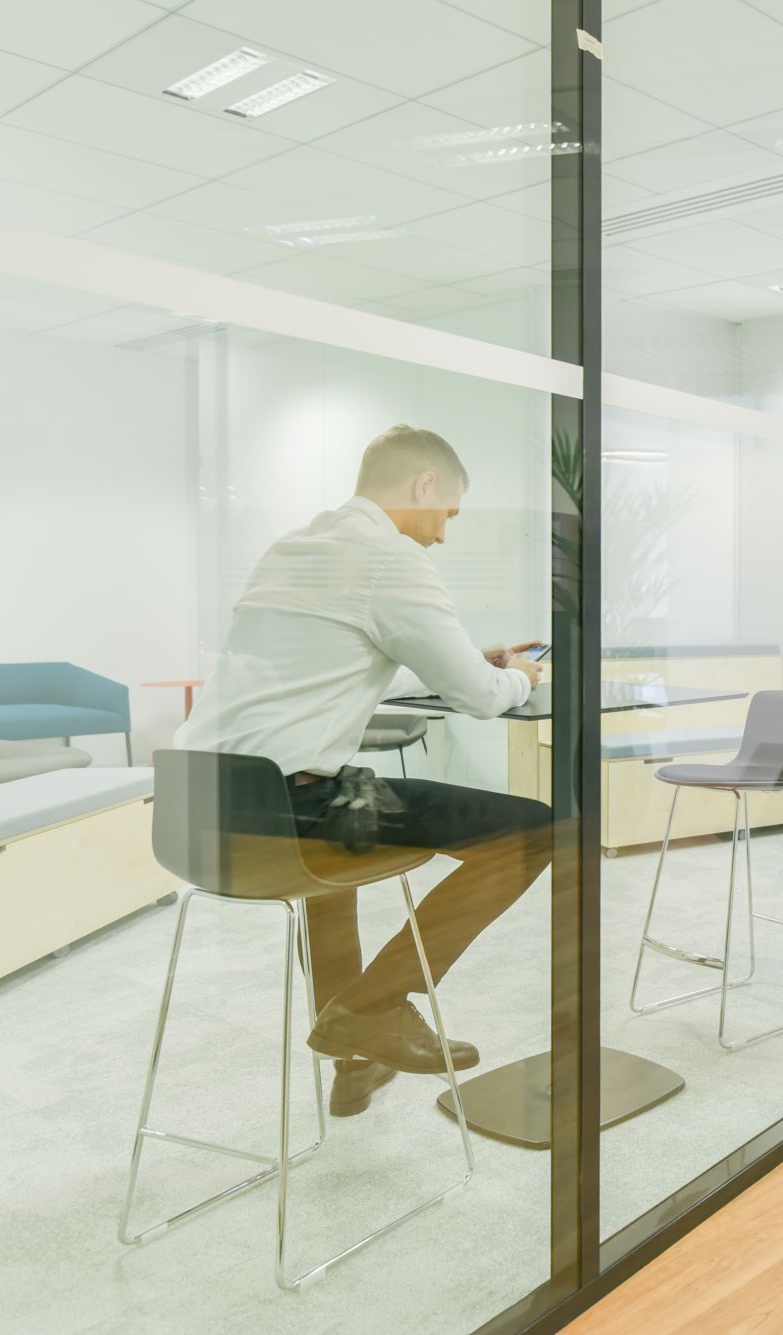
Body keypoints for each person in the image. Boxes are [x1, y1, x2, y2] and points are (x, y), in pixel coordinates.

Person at [177, 424, 553, 1117]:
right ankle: (370, 1010)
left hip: (197, 808)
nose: (443, 535)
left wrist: (466, 659)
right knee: (534, 832)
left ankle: (355, 1061)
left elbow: (350, 658)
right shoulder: (391, 559)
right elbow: (478, 698)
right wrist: (518, 678)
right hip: (284, 814)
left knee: (341, 839)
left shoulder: (293, 548)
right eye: (447, 513)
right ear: (424, 485)